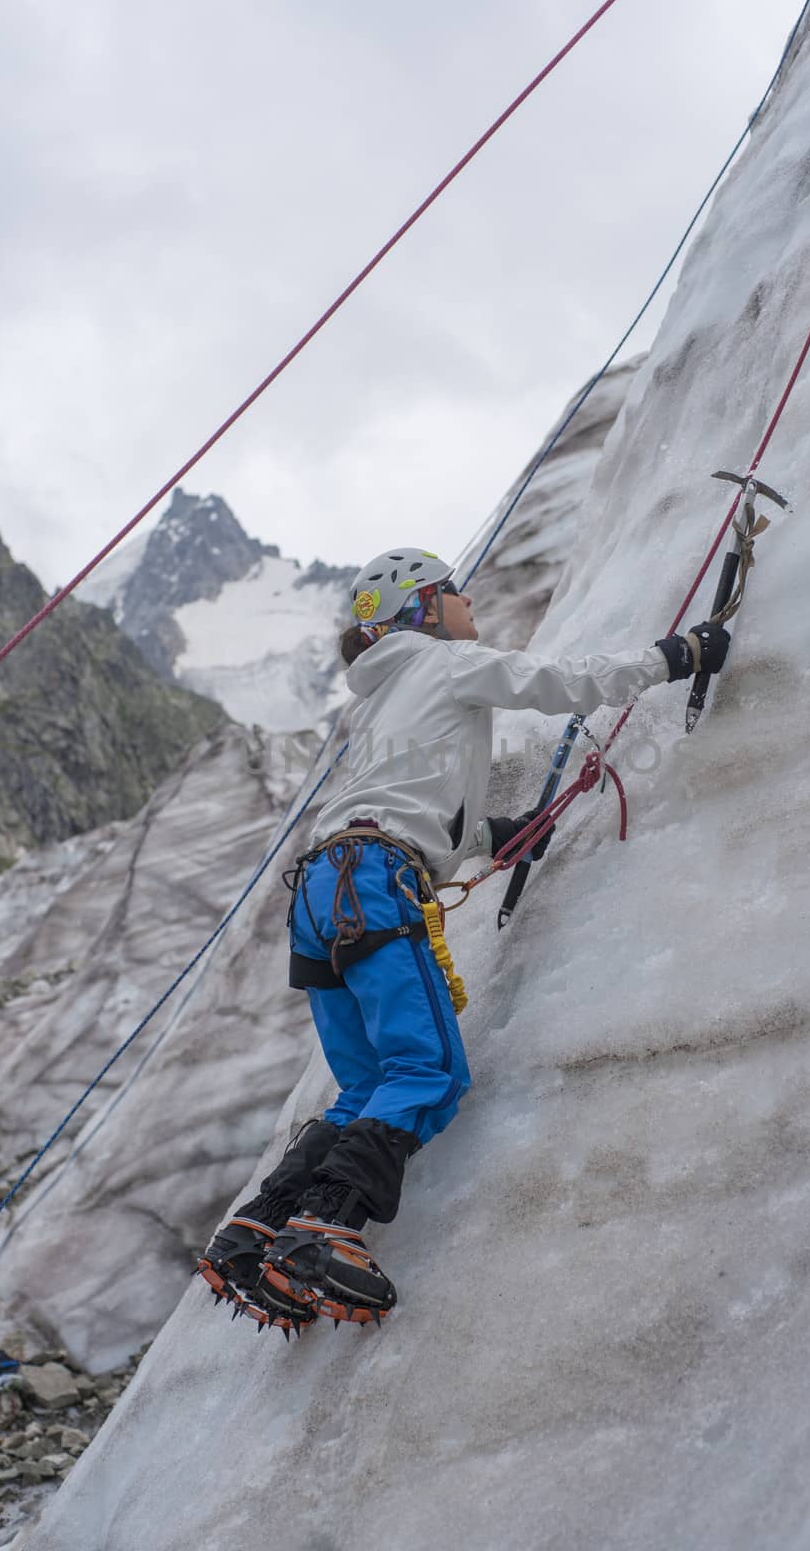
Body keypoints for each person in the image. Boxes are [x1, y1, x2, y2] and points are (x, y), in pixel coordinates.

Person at [199, 547, 729, 1328]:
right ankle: (324, 1228)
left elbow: (403, 796)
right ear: (419, 608)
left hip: (322, 890)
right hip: (376, 881)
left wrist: (488, 832)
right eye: (450, 591)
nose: (466, 599)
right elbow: (556, 685)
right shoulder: (442, 663)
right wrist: (672, 657)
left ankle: (251, 1237)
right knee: (429, 1070)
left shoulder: (377, 698)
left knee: (363, 1085)